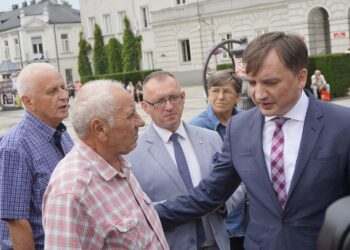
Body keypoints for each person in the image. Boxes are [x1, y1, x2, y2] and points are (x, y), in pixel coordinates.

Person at [155, 32, 350, 250]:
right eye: (252, 82)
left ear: (301, 77)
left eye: (270, 82)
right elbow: (209, 194)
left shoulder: (343, 125)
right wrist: (147, 216)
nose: (259, 94)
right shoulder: (238, 129)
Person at [42, 80, 169, 249]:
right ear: (100, 129)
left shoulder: (117, 160)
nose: (141, 122)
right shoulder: (72, 192)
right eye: (131, 115)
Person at [127, 71, 244, 250]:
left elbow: (237, 183)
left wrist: (222, 203)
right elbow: (133, 209)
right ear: (144, 106)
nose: (169, 107)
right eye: (159, 101)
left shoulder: (211, 138)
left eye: (174, 98)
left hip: (218, 244)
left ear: (183, 97)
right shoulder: (132, 153)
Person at [0, 62, 73, 250]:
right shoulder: (15, 147)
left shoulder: (62, 133)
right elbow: (16, 222)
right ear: (28, 102)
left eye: (63, 87)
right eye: (52, 91)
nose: (64, 95)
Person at [189, 69, 246, 250]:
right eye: (215, 90)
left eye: (227, 91)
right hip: (216, 222)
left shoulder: (248, 121)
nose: (220, 97)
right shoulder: (194, 128)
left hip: (250, 218)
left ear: (237, 96)